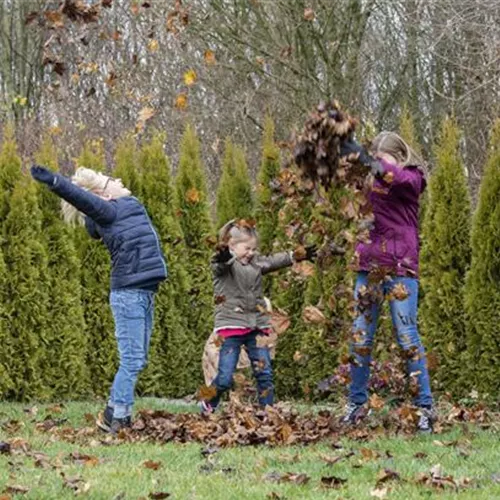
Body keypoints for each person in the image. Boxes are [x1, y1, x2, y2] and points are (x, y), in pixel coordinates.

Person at [30, 165, 167, 434]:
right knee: (131, 360)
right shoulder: (110, 211)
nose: (118, 178)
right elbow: (80, 197)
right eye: (110, 180)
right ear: (103, 197)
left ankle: (116, 414)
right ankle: (115, 417)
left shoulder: (126, 206)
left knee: (137, 360)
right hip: (129, 295)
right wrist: (56, 181)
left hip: (144, 293)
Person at [339, 132, 435, 433]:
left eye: (385, 160)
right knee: (360, 338)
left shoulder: (411, 179)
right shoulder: (368, 185)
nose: (379, 167)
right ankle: (356, 405)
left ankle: (425, 408)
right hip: (368, 268)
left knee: (407, 336)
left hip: (400, 268)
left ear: (399, 157)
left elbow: (399, 179)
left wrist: (375, 163)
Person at [200, 219, 316, 414]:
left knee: (264, 373)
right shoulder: (223, 266)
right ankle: (207, 399)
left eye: (254, 249)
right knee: (225, 377)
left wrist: (294, 256)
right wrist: (223, 256)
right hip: (231, 327)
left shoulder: (255, 263)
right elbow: (220, 265)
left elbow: (272, 261)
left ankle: (268, 412)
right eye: (247, 248)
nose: (251, 253)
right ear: (231, 246)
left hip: (256, 326)